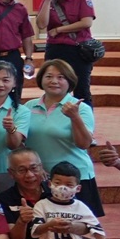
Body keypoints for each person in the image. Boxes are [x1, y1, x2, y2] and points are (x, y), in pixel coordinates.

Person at [24, 59, 101, 215]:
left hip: (73, 178)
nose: (54, 81)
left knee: (79, 225)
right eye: (49, 76)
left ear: (70, 81)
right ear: (41, 79)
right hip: (41, 177)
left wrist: (75, 117)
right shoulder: (29, 106)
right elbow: (22, 142)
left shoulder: (81, 108)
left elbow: (84, 144)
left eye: (61, 77)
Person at [36, 0, 95, 103]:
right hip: (55, 48)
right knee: (54, 88)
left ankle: (83, 116)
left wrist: (59, 30)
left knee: (82, 89)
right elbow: (41, 24)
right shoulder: (48, 1)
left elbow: (86, 22)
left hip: (78, 49)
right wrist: (47, 1)